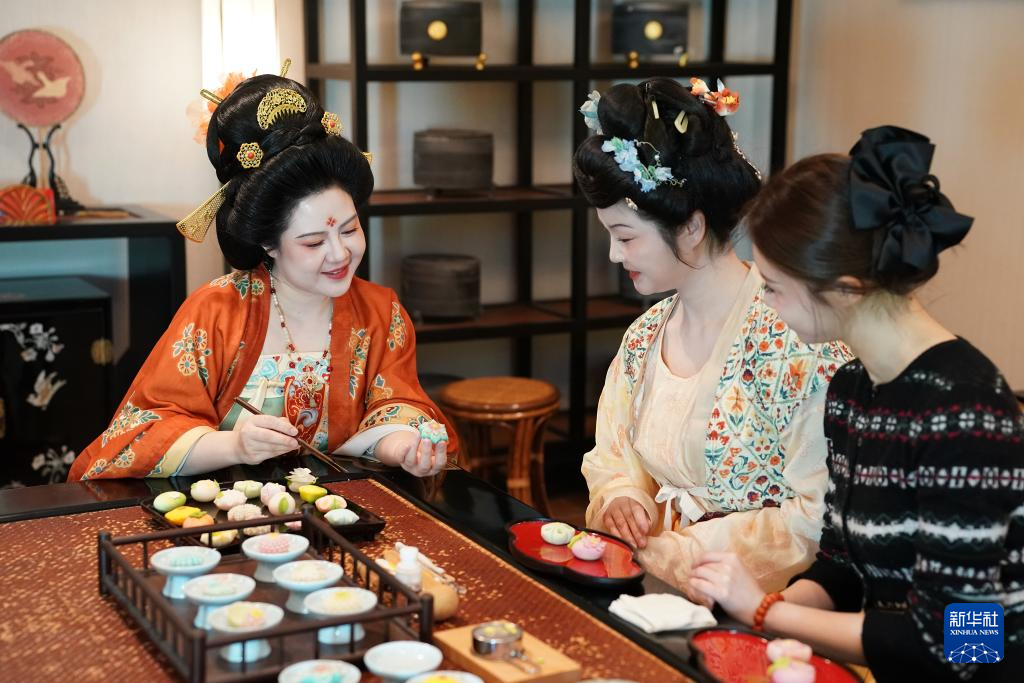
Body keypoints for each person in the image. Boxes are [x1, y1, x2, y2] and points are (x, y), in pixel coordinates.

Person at [689, 125, 1023, 681]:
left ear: (844, 288)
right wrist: (759, 610)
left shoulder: (965, 410)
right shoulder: (851, 390)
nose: (765, 306)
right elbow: (842, 566)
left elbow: (962, 641)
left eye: (773, 288)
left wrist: (765, 611)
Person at [69, 71, 457, 480]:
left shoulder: (381, 312)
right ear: (269, 244)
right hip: (228, 505)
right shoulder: (215, 311)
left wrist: (401, 446)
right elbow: (143, 428)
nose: (339, 253)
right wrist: (234, 445)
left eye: (349, 230)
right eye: (313, 242)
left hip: (341, 505)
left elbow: (395, 403)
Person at [575, 77, 851, 595]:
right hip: (651, 582)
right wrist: (621, 497)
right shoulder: (645, 337)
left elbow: (819, 515)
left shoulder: (793, 344)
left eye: (624, 236)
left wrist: (686, 551)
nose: (614, 255)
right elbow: (612, 455)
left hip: (759, 600)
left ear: (691, 227)